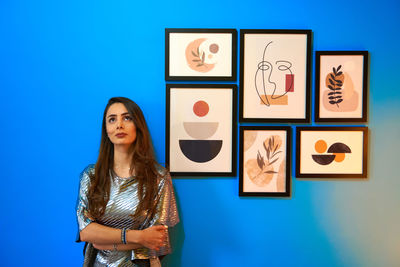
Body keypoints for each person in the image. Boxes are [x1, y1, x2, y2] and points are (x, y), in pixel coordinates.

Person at [75, 97, 179, 267]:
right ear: (106, 130)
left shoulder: (158, 177)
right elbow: (86, 232)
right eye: (112, 119)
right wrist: (138, 237)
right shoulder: (91, 176)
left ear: (138, 126)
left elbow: (156, 239)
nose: (119, 125)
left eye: (127, 118)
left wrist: (103, 240)